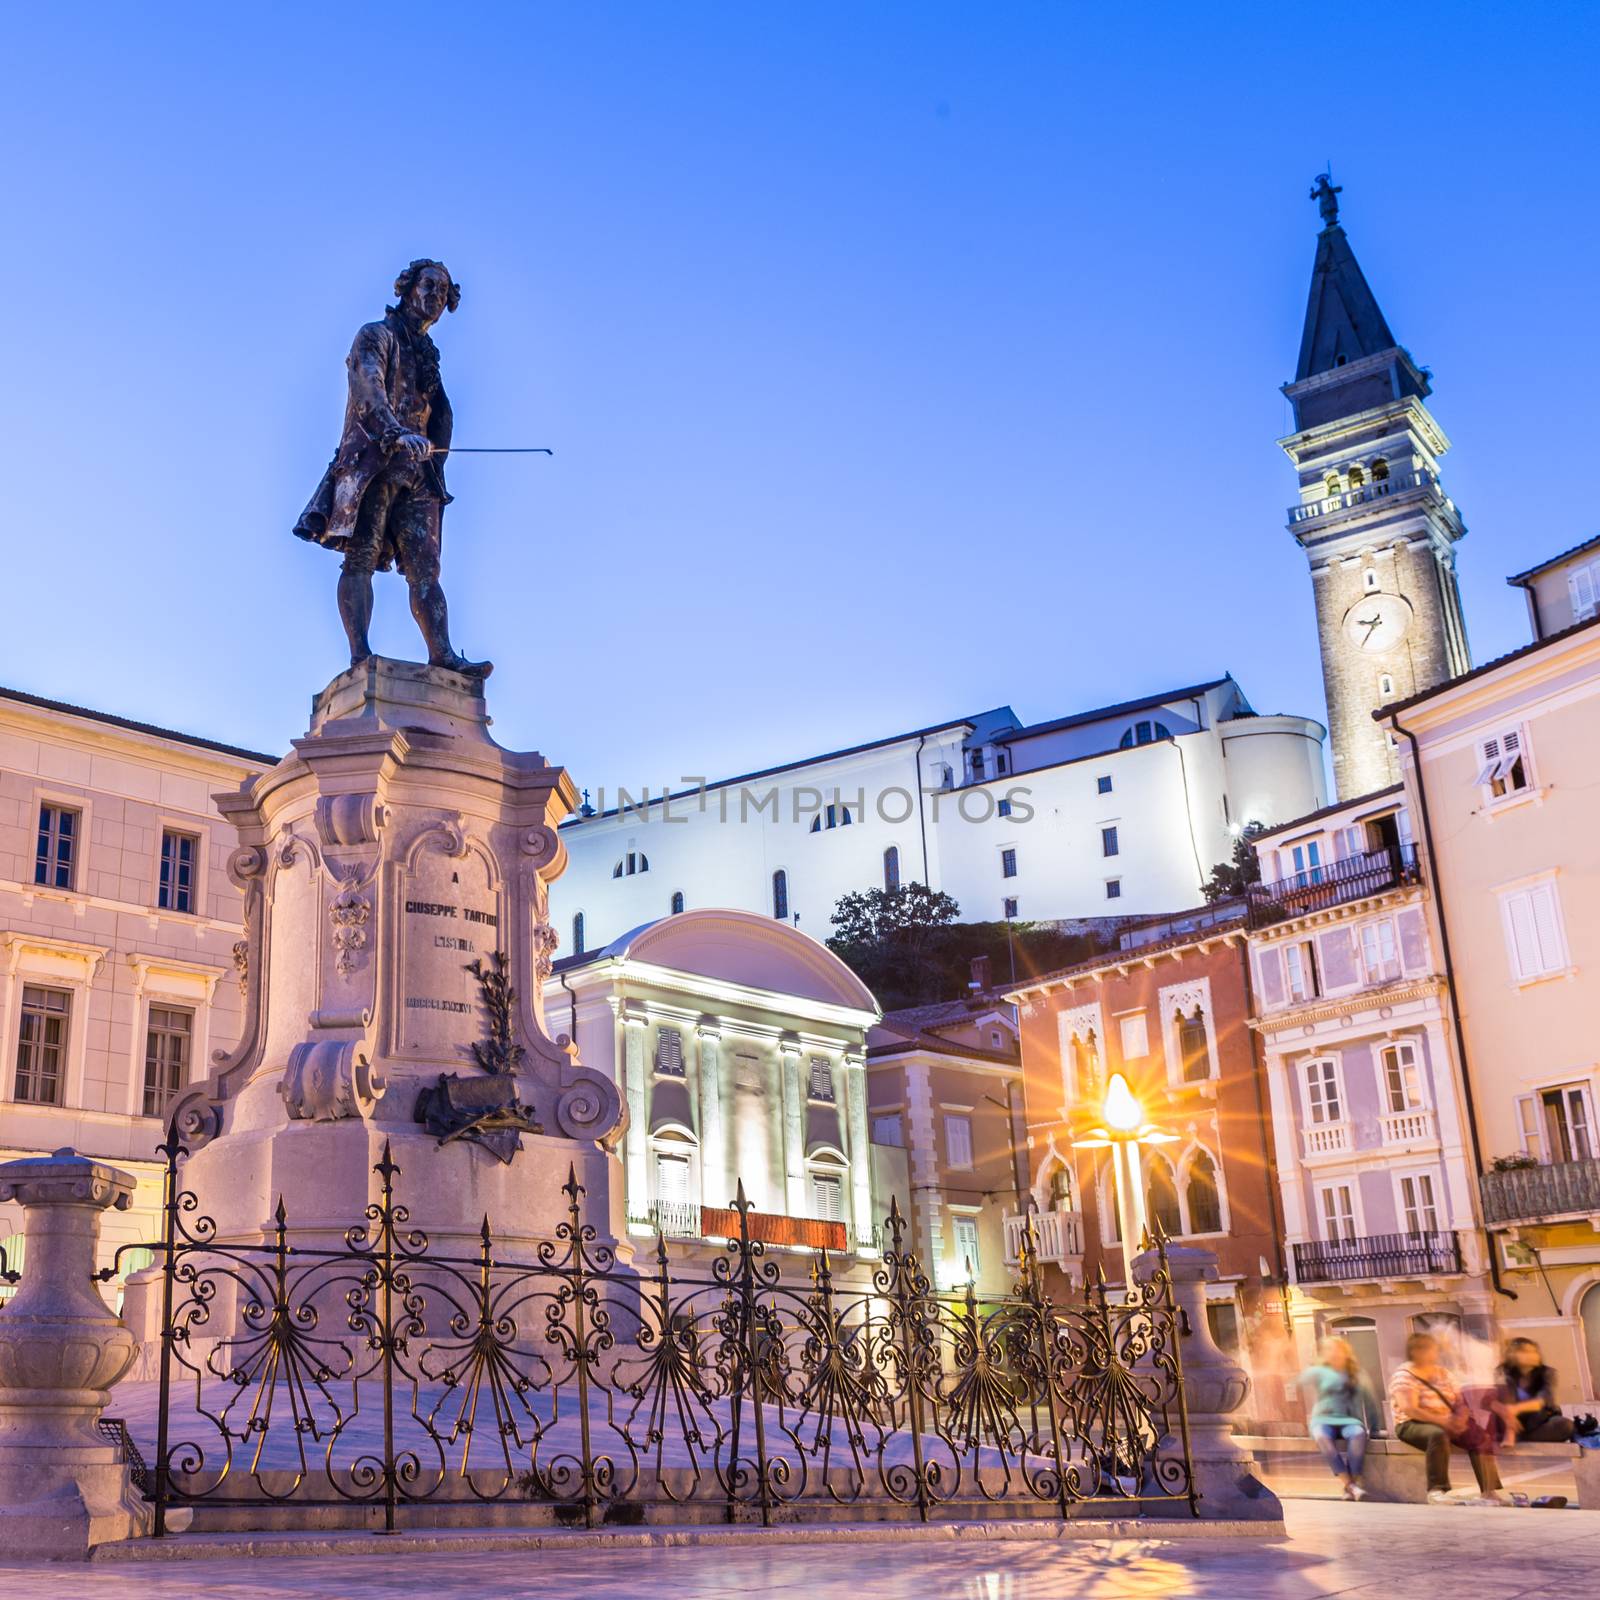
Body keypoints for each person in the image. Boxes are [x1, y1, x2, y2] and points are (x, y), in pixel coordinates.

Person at [294, 259, 491, 678]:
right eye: (429, 286)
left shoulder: (428, 356)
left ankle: (443, 654)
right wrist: (396, 433)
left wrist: (435, 455)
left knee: (427, 570)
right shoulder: (375, 335)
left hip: (419, 472)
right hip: (374, 464)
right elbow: (368, 389)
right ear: (407, 288)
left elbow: (437, 415)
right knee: (360, 557)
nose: (436, 297)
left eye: (444, 292)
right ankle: (359, 657)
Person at [1389, 1330, 1509, 1504]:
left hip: (1448, 1420)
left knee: (1480, 1437)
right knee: (1437, 1435)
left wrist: (1460, 1418)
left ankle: (1489, 1491)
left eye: (1434, 1349)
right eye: (1429, 1349)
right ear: (1415, 1351)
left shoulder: (1442, 1373)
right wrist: (1443, 1421)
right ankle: (1437, 1490)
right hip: (1412, 1424)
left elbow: (1460, 1399)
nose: (1434, 1353)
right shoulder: (1404, 1375)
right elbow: (1410, 1409)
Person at [1299, 1337, 1381, 1499]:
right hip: (1322, 1420)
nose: (1333, 1353)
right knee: (1323, 1438)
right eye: (1329, 1349)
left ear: (1346, 1352)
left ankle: (1351, 1486)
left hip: (1350, 1420)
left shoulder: (1358, 1374)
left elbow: (1370, 1400)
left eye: (1337, 1349)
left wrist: (1375, 1427)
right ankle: (1351, 1486)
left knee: (1358, 1435)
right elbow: (1303, 1378)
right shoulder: (1319, 1372)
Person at [1494, 1338, 1576, 1445]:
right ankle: (1512, 1433)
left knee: (1565, 1425)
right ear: (1512, 1354)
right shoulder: (1503, 1373)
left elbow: (1543, 1399)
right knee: (1503, 1391)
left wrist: (1515, 1409)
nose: (1533, 1355)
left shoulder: (1547, 1373)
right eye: (1526, 1351)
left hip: (1538, 1423)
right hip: (1507, 1423)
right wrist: (1505, 1412)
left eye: (1535, 1351)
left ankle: (1519, 1437)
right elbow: (1487, 1400)